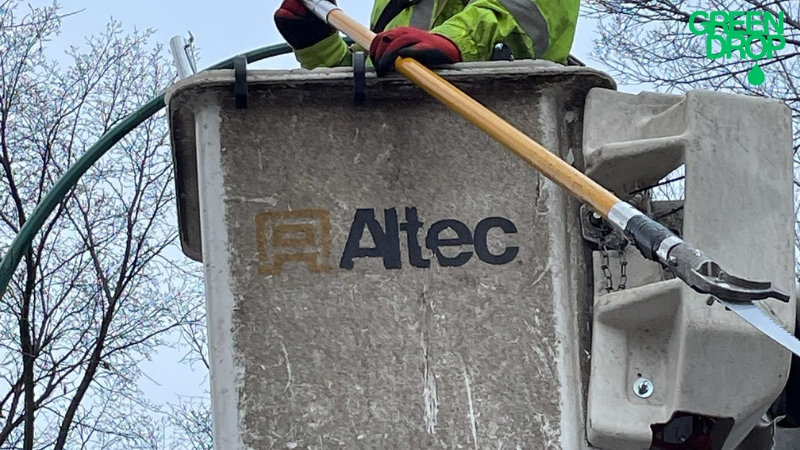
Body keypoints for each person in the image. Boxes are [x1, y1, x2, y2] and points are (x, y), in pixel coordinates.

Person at [274, 0, 579, 77]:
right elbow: (378, 72)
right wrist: (321, 49)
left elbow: (525, 13)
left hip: (502, 152)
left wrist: (457, 43)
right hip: (404, 167)